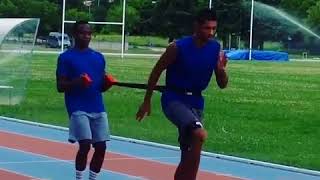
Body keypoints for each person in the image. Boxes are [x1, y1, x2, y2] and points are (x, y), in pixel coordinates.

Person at [136, 8, 228, 180]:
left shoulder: (215, 48)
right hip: (174, 99)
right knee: (199, 134)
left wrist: (222, 70)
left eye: (214, 28)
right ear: (196, 26)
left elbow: (222, 84)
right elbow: (156, 72)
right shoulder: (177, 47)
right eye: (207, 28)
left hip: (197, 102)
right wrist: (147, 101)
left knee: (190, 152)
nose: (211, 32)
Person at [56, 21, 112, 180]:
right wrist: (76, 82)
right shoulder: (66, 58)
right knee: (85, 144)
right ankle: (79, 177)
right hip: (77, 107)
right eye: (82, 33)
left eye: (89, 33)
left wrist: (107, 84)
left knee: (101, 147)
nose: (86, 36)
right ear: (75, 35)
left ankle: (92, 178)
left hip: (97, 106)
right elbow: (60, 86)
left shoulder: (98, 57)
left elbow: (100, 86)